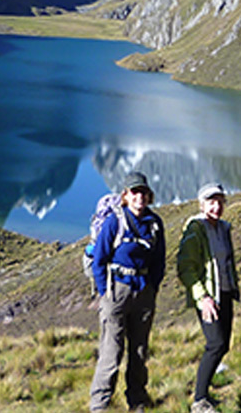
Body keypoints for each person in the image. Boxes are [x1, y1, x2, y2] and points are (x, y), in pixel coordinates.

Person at [89, 172, 167, 411]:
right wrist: (105, 292)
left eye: (143, 192)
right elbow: (99, 259)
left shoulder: (154, 223)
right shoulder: (115, 221)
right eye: (134, 192)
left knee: (139, 351)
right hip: (117, 291)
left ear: (149, 195)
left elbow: (159, 261)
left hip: (143, 291)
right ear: (126, 195)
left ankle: (137, 401)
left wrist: (152, 288)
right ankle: (100, 404)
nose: (139, 197)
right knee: (112, 352)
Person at [177, 183, 237, 413]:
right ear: (201, 204)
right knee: (215, 343)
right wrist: (202, 297)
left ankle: (204, 393)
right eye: (211, 201)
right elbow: (186, 267)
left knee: (223, 345)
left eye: (220, 201)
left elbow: (226, 262)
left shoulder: (224, 228)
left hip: (224, 292)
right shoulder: (195, 228)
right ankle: (199, 400)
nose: (216, 206)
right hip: (208, 296)